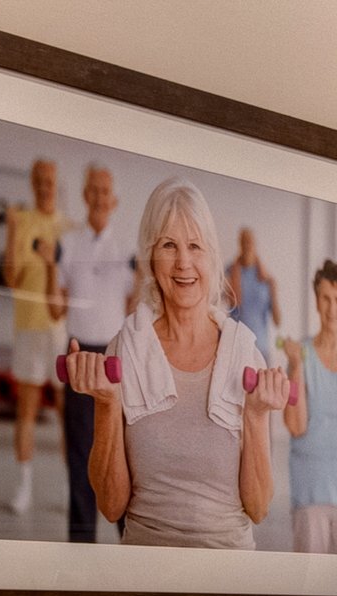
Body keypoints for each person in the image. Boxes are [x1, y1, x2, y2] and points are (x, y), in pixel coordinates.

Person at [82, 179, 282, 551]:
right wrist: (107, 404)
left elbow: (258, 508)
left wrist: (256, 416)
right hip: (146, 569)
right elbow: (111, 507)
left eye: (195, 246)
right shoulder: (125, 351)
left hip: (228, 569)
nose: (183, 263)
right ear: (150, 257)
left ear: (212, 256)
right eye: (168, 245)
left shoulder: (244, 354)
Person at [53, 161, 137, 543]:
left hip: (116, 359)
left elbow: (133, 309)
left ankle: (129, 542)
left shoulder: (127, 250)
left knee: (123, 454)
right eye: (94, 190)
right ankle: (81, 550)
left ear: (114, 199)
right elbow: (55, 309)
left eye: (106, 191)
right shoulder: (68, 244)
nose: (100, 198)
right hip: (78, 356)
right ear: (85, 196)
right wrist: (47, 267)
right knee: (79, 456)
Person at [0, 157, 69, 517]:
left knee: (67, 413)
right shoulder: (22, 223)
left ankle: (70, 489)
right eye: (38, 180)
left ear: (56, 183)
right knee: (26, 411)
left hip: (59, 330)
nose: (44, 186)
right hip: (27, 328)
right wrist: (10, 233)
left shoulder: (68, 228)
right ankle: (24, 488)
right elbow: (11, 278)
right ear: (32, 183)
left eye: (49, 180)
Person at [290, 257, 337, 554]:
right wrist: (295, 368)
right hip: (311, 491)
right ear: (316, 302)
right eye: (326, 299)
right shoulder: (301, 354)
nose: (332, 308)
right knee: (311, 575)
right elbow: (295, 425)